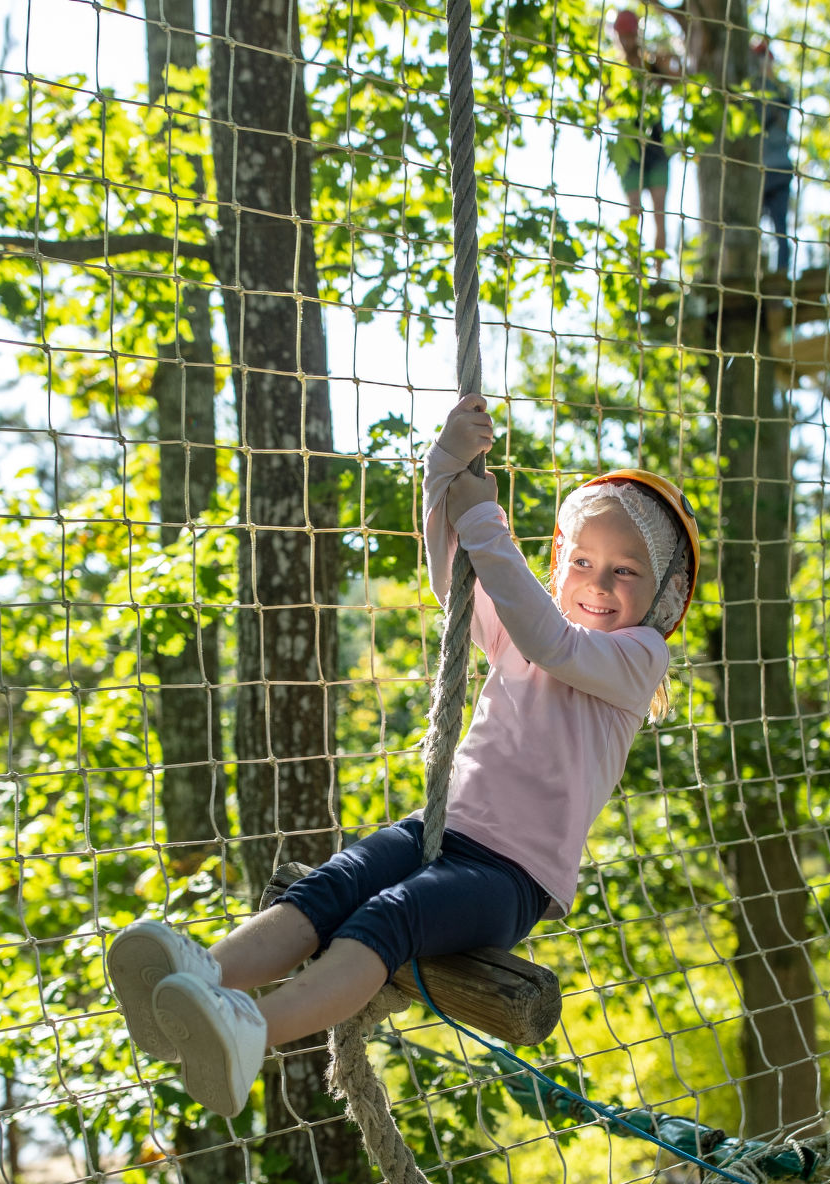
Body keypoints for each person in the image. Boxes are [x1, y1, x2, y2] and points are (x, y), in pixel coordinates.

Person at [106, 397, 700, 1117]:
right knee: (329, 888)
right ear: (557, 561)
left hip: (510, 875)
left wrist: (487, 520)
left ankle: (251, 1031)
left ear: (664, 596)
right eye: (583, 561)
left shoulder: (637, 658)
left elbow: (555, 645)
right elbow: (453, 575)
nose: (599, 585)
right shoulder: (530, 622)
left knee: (387, 919)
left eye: (625, 572)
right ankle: (203, 982)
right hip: (439, 830)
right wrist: (441, 468)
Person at [611, 9, 679, 269]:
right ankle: (634, 274)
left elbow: (677, 82)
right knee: (634, 213)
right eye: (623, 35)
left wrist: (669, 60)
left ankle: (658, 277)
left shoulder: (653, 65)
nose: (628, 40)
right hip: (629, 149)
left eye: (630, 34)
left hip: (656, 145)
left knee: (659, 214)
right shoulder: (614, 70)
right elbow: (605, 107)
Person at [749, 39, 793, 278]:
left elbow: (783, 117)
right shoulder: (751, 90)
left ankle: (781, 274)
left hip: (780, 167)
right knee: (754, 228)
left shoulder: (783, 90)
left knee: (780, 227)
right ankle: (755, 271)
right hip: (758, 170)